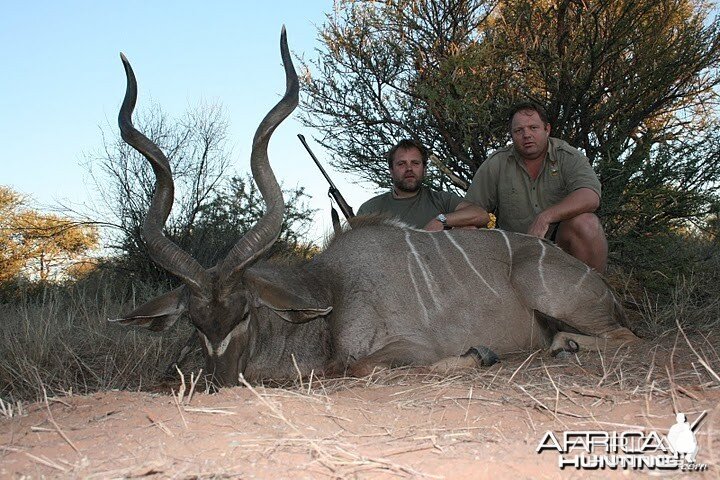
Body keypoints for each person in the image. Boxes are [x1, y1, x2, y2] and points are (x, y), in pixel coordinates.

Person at [464, 102, 608, 272]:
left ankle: (594, 292)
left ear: (547, 129)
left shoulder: (567, 156)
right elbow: (470, 208)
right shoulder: (497, 163)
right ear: (511, 135)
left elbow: (590, 196)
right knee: (466, 229)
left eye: (533, 127)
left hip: (562, 249)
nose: (526, 135)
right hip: (514, 254)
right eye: (519, 130)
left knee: (586, 223)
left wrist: (545, 217)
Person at [357, 139, 489, 230]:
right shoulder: (370, 209)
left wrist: (441, 220)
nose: (409, 169)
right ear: (391, 170)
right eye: (401, 164)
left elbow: (481, 215)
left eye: (415, 163)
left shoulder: (440, 200)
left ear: (424, 169)